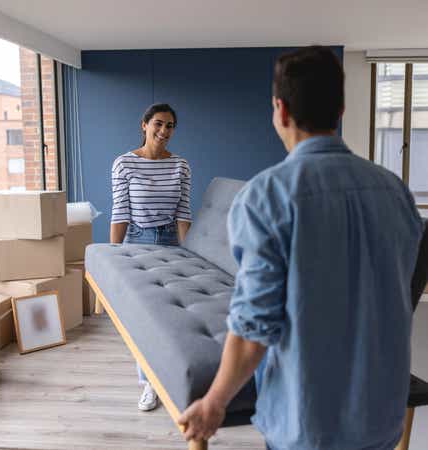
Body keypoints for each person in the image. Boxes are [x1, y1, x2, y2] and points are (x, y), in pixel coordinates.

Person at [178, 46, 424, 450]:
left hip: (309, 424)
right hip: (382, 415)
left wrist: (214, 403)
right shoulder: (395, 191)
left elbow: (254, 327)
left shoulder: (266, 197)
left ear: (281, 110)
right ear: (341, 109)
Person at [110, 103, 192, 411]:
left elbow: (184, 212)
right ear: (144, 125)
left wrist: (190, 254)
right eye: (158, 123)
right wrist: (114, 258)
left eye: (170, 126)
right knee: (144, 318)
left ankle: (169, 380)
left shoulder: (180, 165)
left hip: (172, 241)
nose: (164, 131)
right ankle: (149, 384)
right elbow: (119, 213)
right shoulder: (124, 164)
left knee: (172, 318)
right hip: (137, 240)